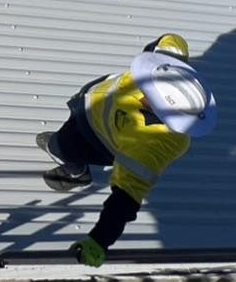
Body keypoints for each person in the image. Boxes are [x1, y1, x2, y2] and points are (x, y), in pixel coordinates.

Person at [36, 34, 217, 267]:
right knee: (62, 138)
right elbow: (171, 40)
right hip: (89, 105)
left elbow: (125, 200)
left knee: (60, 146)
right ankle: (65, 147)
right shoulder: (162, 66)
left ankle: (77, 173)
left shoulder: (157, 144)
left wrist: (99, 240)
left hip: (96, 140)